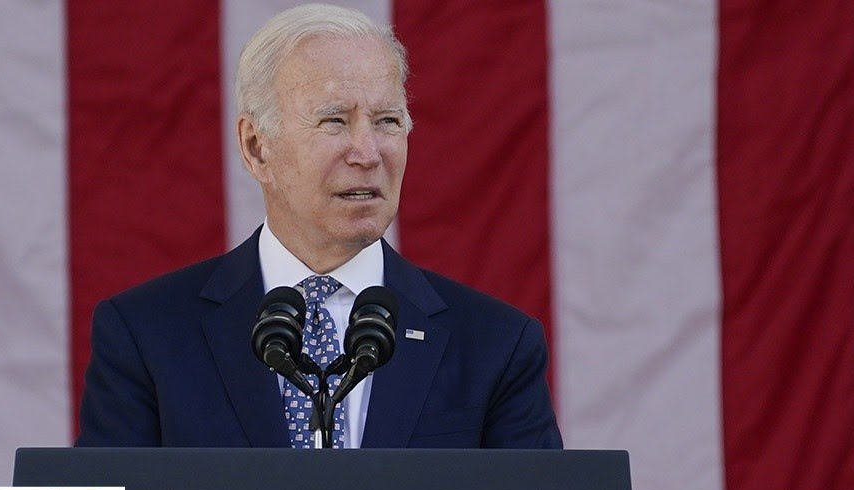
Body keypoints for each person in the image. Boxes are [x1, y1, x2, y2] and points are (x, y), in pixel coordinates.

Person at [76, 4, 561, 450]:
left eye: (388, 121)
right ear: (256, 147)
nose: (369, 153)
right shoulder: (146, 335)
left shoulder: (496, 345)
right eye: (334, 122)